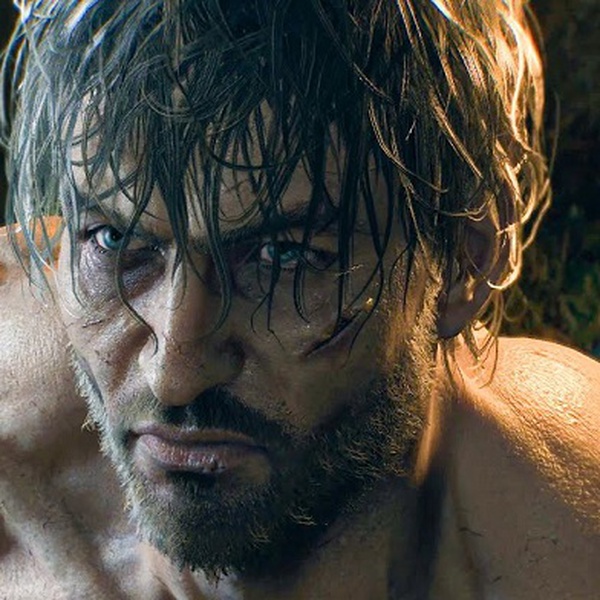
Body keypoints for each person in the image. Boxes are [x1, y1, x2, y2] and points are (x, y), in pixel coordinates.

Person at [0, 0, 598, 598]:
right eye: (116, 239)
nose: (174, 376)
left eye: (284, 257)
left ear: (463, 265)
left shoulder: (566, 535)